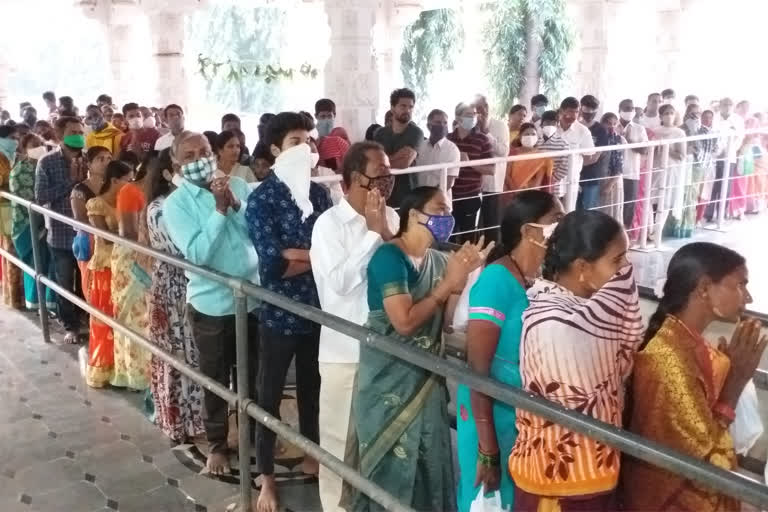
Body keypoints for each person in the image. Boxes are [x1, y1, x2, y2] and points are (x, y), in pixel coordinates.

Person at [347, 186, 492, 512]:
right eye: (439, 209)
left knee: (429, 466)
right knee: (388, 474)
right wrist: (447, 284)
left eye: (449, 211)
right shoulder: (389, 257)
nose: (447, 217)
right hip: (388, 380)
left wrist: (464, 280)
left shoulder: (440, 260)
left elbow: (444, 323)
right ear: (413, 214)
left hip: (426, 381)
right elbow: (405, 323)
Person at [509, 210, 644, 512]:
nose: (626, 269)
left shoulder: (588, 312)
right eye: (617, 260)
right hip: (560, 483)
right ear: (583, 267)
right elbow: (591, 389)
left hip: (596, 469)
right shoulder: (559, 323)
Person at [623, 242, 766, 512]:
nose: (748, 298)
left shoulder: (688, 342)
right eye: (739, 285)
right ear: (703, 289)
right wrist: (734, 384)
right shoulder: (668, 359)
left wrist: (727, 374)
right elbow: (704, 461)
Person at [245, 112, 333, 512]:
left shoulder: (318, 196)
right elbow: (272, 264)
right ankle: (266, 479)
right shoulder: (262, 199)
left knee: (315, 390)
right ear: (277, 150)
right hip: (279, 315)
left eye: (309, 140)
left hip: (317, 311)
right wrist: (312, 257)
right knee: (269, 394)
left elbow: (328, 253)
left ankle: (313, 454)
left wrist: (302, 256)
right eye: (296, 141)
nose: (306, 148)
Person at [456, 190, 562, 512]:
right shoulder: (496, 280)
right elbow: (478, 369)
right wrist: (487, 448)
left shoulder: (535, 279)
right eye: (555, 221)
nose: (561, 228)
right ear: (529, 231)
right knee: (488, 499)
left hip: (519, 412)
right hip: (489, 412)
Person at [309, 141, 400, 512]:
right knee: (338, 446)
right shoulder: (329, 226)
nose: (385, 186)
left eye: (388, 178)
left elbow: (403, 272)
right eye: (378, 178)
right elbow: (341, 284)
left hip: (385, 351)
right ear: (352, 180)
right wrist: (373, 234)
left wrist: (385, 232)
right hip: (344, 353)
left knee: (379, 441)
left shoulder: (391, 217)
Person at [163, 131, 260, 476]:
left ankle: (254, 437)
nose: (198, 159)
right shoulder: (176, 205)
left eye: (204, 151)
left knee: (253, 376)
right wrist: (219, 212)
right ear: (176, 164)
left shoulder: (237, 184)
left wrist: (235, 204)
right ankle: (218, 445)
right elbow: (198, 254)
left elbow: (258, 231)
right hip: (212, 305)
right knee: (216, 380)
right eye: (188, 156)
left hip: (252, 297)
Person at [145, 149, 205, 443]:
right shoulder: (160, 208)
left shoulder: (195, 202)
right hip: (174, 289)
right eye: (187, 161)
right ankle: (182, 421)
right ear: (170, 173)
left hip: (192, 285)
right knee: (180, 353)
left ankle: (201, 419)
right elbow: (185, 250)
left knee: (197, 355)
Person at [35, 116, 88, 343]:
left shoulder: (90, 159)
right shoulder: (46, 162)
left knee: (87, 281)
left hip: (87, 232)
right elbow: (41, 197)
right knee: (64, 282)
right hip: (61, 232)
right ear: (59, 136)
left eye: (80, 131)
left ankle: (88, 319)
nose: (79, 135)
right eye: (73, 131)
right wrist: (71, 181)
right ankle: (71, 325)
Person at [85, 160, 132, 387]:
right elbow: (104, 237)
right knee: (106, 317)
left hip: (124, 265)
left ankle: (122, 369)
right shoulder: (96, 204)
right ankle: (103, 369)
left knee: (123, 317)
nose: (131, 184)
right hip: (106, 265)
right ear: (114, 180)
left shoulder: (126, 203)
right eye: (127, 180)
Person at [108, 155, 153, 391]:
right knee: (133, 317)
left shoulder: (148, 193)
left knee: (143, 317)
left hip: (142, 256)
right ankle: (136, 376)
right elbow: (128, 233)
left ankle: (143, 374)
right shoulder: (129, 191)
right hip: (131, 258)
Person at [9, 133, 56, 311]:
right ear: (24, 149)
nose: (38, 147)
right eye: (33, 145)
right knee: (35, 262)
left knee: (50, 262)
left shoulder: (46, 165)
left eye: (40, 144)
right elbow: (29, 198)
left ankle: (51, 303)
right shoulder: (19, 171)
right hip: (28, 224)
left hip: (47, 220)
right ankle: (36, 302)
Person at [448, 102, 495, 242]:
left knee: (468, 237)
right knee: (449, 235)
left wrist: (470, 163)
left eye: (474, 114)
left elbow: (491, 169)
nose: (473, 117)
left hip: (471, 196)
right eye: (468, 115)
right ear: (458, 117)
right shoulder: (449, 138)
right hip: (450, 195)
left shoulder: (482, 139)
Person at [70, 146, 111, 302]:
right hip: (91, 242)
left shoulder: (112, 185)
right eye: (101, 159)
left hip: (109, 240)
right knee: (92, 286)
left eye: (109, 159)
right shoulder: (79, 190)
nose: (106, 162)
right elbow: (80, 219)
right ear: (89, 164)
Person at [374, 88, 424, 207]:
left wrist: (385, 161)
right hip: (384, 192)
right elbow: (375, 162)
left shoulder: (416, 132)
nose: (407, 110)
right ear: (392, 107)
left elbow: (404, 163)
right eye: (403, 106)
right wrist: (396, 157)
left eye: (410, 107)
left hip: (407, 193)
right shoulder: (380, 133)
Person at [475, 94, 511, 243]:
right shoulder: (469, 125)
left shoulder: (500, 126)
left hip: (492, 182)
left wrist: (486, 133)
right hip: (472, 182)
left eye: (484, 106)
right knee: (473, 224)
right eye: (477, 107)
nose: (482, 110)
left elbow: (503, 151)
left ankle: (492, 257)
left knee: (491, 223)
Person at [679, 104, 717, 233]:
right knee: (688, 193)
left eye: (697, 113)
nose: (695, 116)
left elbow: (714, 149)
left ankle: (695, 220)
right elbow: (690, 147)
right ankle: (685, 223)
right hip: (691, 164)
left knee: (700, 194)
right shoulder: (688, 129)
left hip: (703, 166)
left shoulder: (709, 131)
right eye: (692, 113)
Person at [414, 109, 461, 204]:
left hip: (440, 203)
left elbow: (449, 182)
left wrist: (430, 200)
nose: (442, 126)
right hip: (418, 201)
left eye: (445, 123)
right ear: (428, 126)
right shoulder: (420, 146)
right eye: (438, 122)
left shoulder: (452, 149)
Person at [654, 104, 687, 239]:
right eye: (666, 113)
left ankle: (658, 231)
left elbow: (681, 156)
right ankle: (650, 228)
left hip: (671, 169)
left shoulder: (679, 132)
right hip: (655, 168)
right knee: (651, 198)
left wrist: (666, 147)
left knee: (666, 200)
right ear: (661, 116)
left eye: (671, 113)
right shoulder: (655, 130)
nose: (669, 116)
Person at [557, 97, 597, 208]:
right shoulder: (551, 127)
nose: (573, 115)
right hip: (551, 179)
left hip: (571, 180)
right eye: (570, 111)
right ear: (561, 111)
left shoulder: (583, 131)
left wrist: (574, 165)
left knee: (568, 212)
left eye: (576, 112)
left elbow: (589, 155)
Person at [0, 125, 23, 309]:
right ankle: (14, 297)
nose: (16, 141)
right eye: (13, 137)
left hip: (12, 207)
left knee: (13, 250)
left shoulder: (11, 155)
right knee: (11, 249)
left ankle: (16, 295)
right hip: (5, 209)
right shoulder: (1, 157)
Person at [617, 99, 649, 230]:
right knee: (615, 204)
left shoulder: (639, 129)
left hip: (631, 172)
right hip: (614, 173)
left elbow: (644, 150)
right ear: (619, 110)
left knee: (629, 204)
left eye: (631, 108)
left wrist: (628, 140)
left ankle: (626, 232)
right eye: (626, 108)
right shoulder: (612, 125)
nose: (629, 111)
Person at [578, 95, 610, 211]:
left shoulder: (601, 130)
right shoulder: (575, 127)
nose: (589, 114)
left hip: (591, 177)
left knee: (590, 211)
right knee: (572, 210)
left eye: (592, 111)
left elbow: (595, 157)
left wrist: (574, 165)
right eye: (586, 110)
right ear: (581, 109)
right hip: (573, 177)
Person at [505, 123, 553, 195]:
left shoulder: (542, 156)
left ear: (537, 137)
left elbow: (538, 180)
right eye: (526, 134)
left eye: (533, 134)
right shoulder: (512, 152)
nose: (530, 137)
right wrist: (516, 191)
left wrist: (530, 192)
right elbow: (507, 175)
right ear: (520, 136)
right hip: (513, 192)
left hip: (533, 193)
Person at [595, 113, 625, 223]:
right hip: (600, 178)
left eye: (614, 123)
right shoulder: (599, 139)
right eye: (608, 123)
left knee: (612, 212)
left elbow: (619, 165)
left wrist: (610, 184)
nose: (611, 126)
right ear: (602, 124)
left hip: (614, 180)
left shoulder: (619, 140)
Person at [536, 110, 570, 199]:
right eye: (547, 122)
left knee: (553, 207)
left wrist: (551, 180)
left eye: (553, 123)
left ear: (557, 125)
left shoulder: (563, 143)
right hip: (537, 183)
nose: (550, 125)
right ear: (542, 124)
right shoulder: (536, 142)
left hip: (555, 186)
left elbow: (565, 166)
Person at [315, 99, 350, 171]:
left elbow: (350, 159)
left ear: (334, 115)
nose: (326, 119)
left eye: (329, 116)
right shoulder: (311, 136)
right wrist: (319, 139)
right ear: (316, 116)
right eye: (323, 116)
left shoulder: (340, 134)